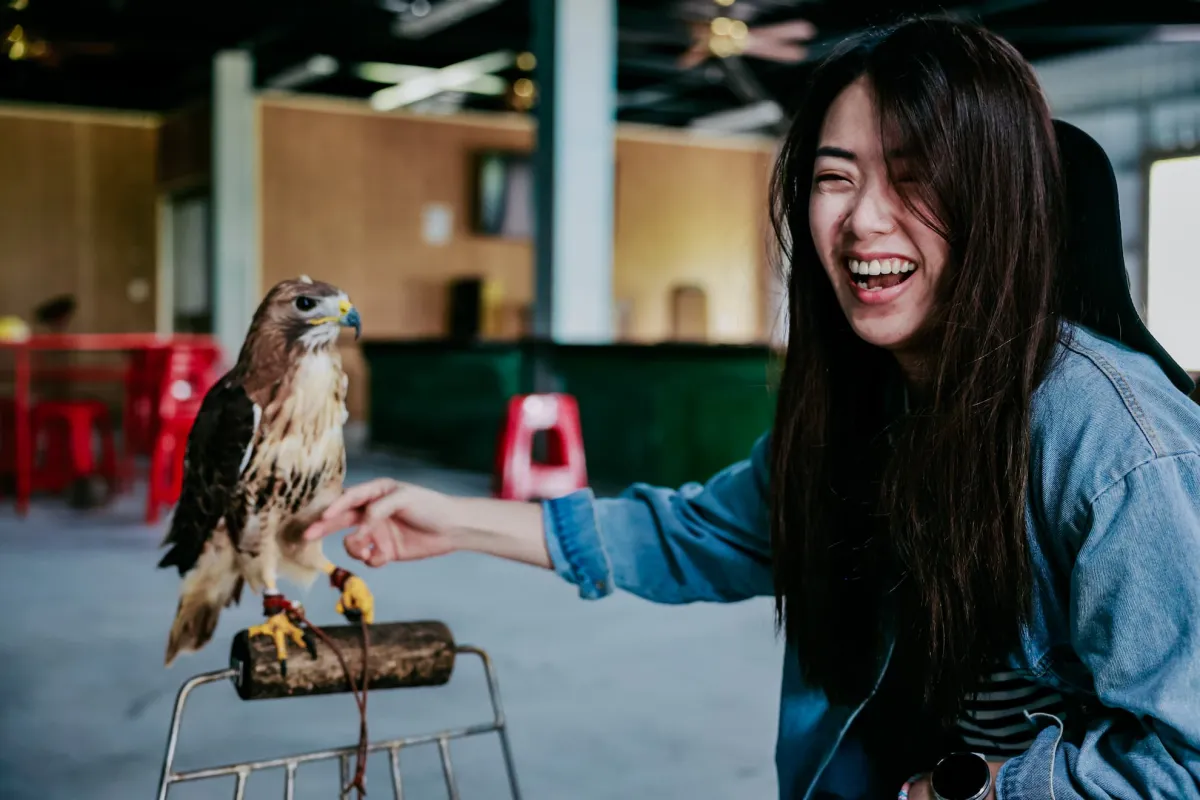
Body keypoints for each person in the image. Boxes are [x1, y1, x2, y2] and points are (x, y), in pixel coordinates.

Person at [305, 16, 1200, 800]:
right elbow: (694, 534)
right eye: (836, 178)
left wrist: (967, 790)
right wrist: (455, 520)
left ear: (999, 201)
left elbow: (1184, 764)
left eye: (915, 178)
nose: (864, 222)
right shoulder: (870, 404)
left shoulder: (1117, 446)